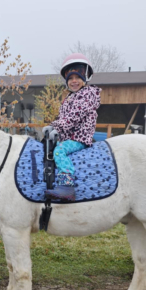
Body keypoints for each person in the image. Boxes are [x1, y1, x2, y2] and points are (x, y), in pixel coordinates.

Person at [44, 53, 101, 202]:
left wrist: (57, 127)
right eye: (70, 78)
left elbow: (74, 117)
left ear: (84, 78)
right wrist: (52, 126)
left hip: (79, 137)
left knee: (59, 150)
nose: (74, 81)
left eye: (77, 78)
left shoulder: (87, 95)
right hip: (69, 135)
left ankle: (67, 187)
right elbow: (63, 118)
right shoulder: (70, 97)